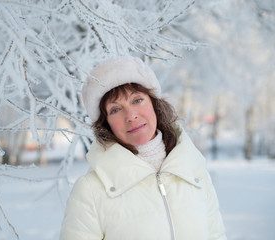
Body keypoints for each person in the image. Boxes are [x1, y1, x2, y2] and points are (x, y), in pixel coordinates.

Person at [60, 56, 227, 240]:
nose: (131, 115)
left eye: (137, 100)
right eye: (115, 109)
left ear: (154, 103)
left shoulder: (195, 173)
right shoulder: (90, 191)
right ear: (106, 124)